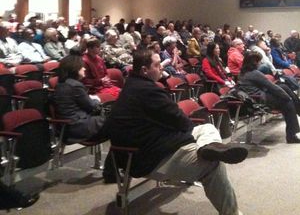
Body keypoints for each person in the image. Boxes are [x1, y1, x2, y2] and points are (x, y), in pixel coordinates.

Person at [105, 49, 247, 215]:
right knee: (213, 164)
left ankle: (209, 147)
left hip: (156, 145)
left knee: (207, 128)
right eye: (157, 65)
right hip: (151, 158)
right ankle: (232, 213)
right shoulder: (148, 91)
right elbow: (181, 121)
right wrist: (185, 135)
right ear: (145, 70)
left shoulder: (133, 86)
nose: (161, 68)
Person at [239, 52, 300, 144]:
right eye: (259, 61)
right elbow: (272, 87)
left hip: (257, 97)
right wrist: (287, 97)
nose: (260, 63)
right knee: (288, 103)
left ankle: (298, 110)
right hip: (259, 99)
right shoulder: (255, 73)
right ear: (254, 62)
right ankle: (291, 136)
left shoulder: (243, 73)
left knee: (283, 87)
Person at [52, 54, 106, 141]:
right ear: (74, 69)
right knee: (116, 119)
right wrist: (96, 100)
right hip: (79, 126)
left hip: (69, 127)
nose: (84, 69)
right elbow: (93, 107)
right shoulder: (75, 85)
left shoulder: (60, 84)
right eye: (82, 67)